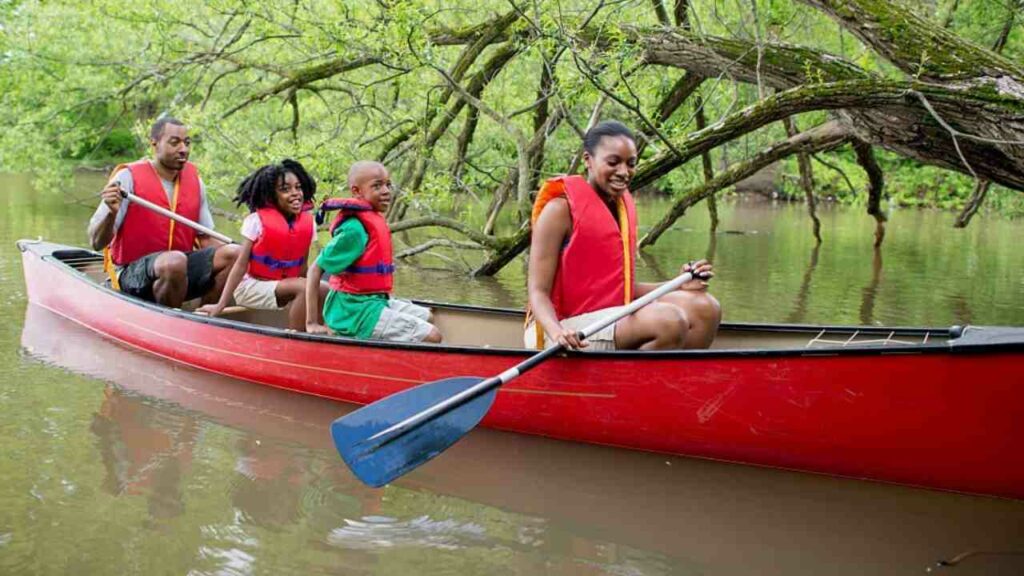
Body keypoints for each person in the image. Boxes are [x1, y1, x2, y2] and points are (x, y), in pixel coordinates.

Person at [526, 121, 721, 351]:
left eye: (631, 164)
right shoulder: (559, 211)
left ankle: (673, 382)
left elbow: (619, 289)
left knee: (706, 308)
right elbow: (538, 292)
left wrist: (679, 285)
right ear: (588, 160)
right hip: (558, 331)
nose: (623, 172)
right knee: (668, 320)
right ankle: (636, 383)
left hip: (608, 319)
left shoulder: (621, 208)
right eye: (613, 162)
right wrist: (558, 332)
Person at [87, 116, 239, 308]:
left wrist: (248, 255)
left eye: (187, 143)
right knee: (174, 261)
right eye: (174, 143)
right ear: (155, 144)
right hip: (131, 273)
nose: (183, 149)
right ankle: (172, 321)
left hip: (178, 267)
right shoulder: (127, 178)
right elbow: (95, 242)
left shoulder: (195, 182)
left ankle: (207, 316)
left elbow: (207, 239)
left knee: (234, 253)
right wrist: (111, 213)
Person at [305, 161, 442, 343]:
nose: (386, 191)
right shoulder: (353, 231)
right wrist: (312, 323)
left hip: (373, 301)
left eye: (388, 184)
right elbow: (315, 270)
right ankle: (346, 334)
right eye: (377, 186)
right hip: (353, 311)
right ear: (356, 191)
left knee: (428, 316)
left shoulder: (372, 218)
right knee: (433, 336)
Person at [197, 160, 328, 331]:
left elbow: (303, 268)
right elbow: (240, 265)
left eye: (298, 187)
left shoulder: (308, 223)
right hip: (250, 287)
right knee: (304, 288)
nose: (296, 193)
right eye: (285, 189)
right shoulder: (256, 221)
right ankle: (298, 341)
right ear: (271, 195)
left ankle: (317, 336)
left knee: (323, 287)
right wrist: (220, 305)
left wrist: (308, 291)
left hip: (281, 285)